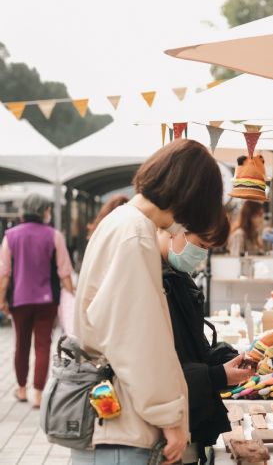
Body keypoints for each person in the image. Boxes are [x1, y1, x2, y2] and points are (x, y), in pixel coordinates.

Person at [72, 139, 225, 465]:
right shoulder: (136, 233)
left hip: (115, 413)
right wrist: (169, 418)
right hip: (130, 426)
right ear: (191, 196)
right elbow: (137, 337)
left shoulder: (120, 222)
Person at [157, 218, 254, 464]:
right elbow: (161, 371)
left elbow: (192, 349)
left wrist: (226, 359)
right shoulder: (156, 284)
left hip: (187, 420)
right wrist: (218, 375)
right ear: (173, 231)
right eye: (199, 244)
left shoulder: (177, 278)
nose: (200, 254)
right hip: (168, 432)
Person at [0, 194, 74, 407]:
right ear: (43, 211)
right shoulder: (54, 235)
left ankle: (22, 390)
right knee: (43, 345)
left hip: (19, 300)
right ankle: (39, 394)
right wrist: (72, 295)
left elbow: (4, 273)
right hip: (47, 300)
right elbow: (64, 270)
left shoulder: (10, 236)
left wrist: (1, 298)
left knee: (21, 344)